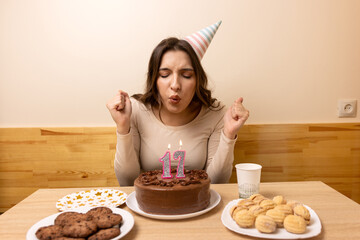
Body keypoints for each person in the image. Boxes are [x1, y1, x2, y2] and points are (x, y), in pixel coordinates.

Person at [106, 22, 249, 186]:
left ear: (197, 80)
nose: (175, 85)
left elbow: (217, 183)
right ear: (154, 79)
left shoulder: (216, 114)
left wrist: (228, 135)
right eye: (165, 74)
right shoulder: (136, 110)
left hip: (196, 206)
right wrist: (123, 127)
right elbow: (127, 183)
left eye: (186, 75)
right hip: (148, 206)